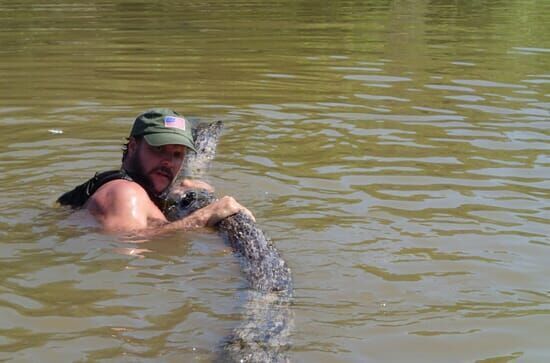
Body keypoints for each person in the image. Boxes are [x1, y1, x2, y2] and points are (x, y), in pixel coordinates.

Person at [57, 108, 253, 234]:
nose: (168, 162)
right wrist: (204, 216)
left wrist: (174, 196)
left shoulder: (136, 190)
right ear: (133, 146)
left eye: (177, 154)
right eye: (158, 149)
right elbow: (129, 244)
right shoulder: (125, 192)